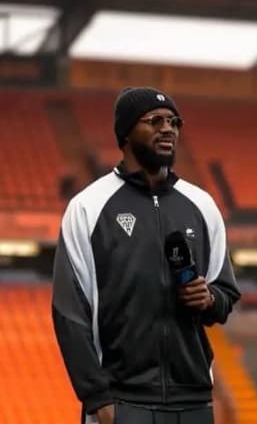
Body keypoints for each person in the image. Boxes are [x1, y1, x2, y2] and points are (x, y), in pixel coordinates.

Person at [52, 87, 241, 424]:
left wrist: (209, 298)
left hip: (193, 398)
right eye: (154, 121)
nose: (168, 129)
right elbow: (70, 313)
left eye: (174, 122)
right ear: (126, 133)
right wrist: (97, 398)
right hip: (121, 399)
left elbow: (225, 293)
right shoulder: (87, 207)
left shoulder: (202, 205)